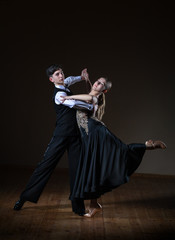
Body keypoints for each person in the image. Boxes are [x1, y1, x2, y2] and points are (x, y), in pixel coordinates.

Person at [61, 76, 167, 217]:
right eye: (97, 81)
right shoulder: (92, 95)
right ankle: (94, 205)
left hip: (97, 134)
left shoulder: (92, 99)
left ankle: (147, 146)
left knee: (120, 152)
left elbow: (88, 96)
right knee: (95, 168)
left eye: (101, 84)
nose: (97, 84)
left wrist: (67, 97)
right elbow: (90, 92)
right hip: (90, 137)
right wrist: (87, 81)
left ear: (104, 90)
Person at [13, 64, 94, 216]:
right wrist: (90, 104)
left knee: (77, 170)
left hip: (75, 135)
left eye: (61, 72)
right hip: (61, 135)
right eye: (57, 74)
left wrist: (82, 77)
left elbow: (70, 79)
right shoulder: (59, 95)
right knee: (45, 166)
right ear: (52, 79)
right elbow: (76, 104)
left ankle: (79, 208)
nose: (61, 75)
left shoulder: (65, 84)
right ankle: (24, 198)